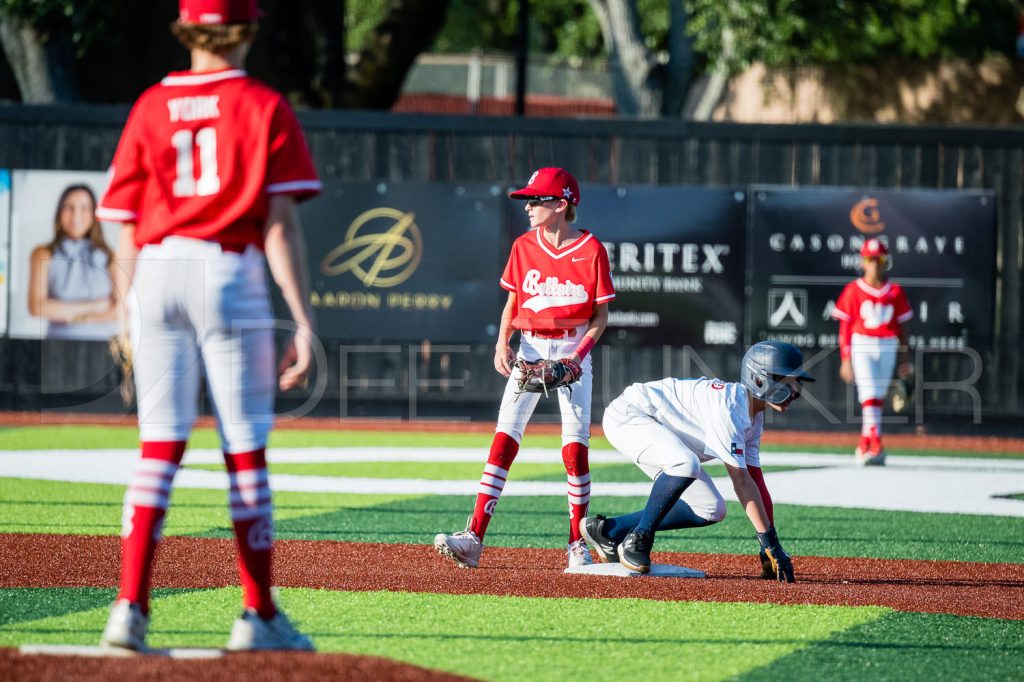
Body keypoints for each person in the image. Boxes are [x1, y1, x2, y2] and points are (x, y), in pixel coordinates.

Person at [95, 0, 321, 652]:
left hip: (158, 271)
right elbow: (279, 225)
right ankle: (258, 614)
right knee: (244, 448)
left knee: (158, 447)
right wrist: (302, 319)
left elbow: (126, 227)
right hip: (229, 270)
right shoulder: (262, 105)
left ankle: (128, 609)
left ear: (185, 27)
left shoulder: (149, 105)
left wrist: (125, 312)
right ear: (247, 29)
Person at [433, 167, 615, 570]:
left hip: (572, 348)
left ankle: (576, 544)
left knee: (575, 448)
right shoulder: (523, 246)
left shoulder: (590, 250)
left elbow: (600, 317)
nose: (529, 206)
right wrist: (502, 341)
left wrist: (577, 357)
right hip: (530, 349)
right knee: (503, 439)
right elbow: (513, 303)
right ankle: (474, 538)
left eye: (537, 199)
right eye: (528, 200)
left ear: (562, 204)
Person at [580, 340, 810, 582]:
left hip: (660, 431)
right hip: (630, 416)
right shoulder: (731, 407)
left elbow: (755, 482)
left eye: (797, 382)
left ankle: (608, 531)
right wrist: (768, 541)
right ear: (759, 379)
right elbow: (741, 482)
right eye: (787, 381)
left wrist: (769, 544)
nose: (795, 390)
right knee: (686, 464)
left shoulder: (754, 417)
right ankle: (639, 538)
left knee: (711, 509)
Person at [831, 238, 912, 466]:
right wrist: (845, 359)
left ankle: (866, 441)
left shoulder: (895, 291)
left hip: (887, 344)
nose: (875, 264)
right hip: (863, 342)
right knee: (869, 392)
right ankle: (875, 440)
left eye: (879, 259)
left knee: (877, 395)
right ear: (862, 262)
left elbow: (902, 329)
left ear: (886, 262)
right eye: (870, 259)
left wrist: (905, 359)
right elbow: (845, 327)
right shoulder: (853, 289)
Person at [27, 184, 119, 339]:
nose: (76, 215)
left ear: (94, 214)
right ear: (59, 212)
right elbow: (37, 307)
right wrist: (98, 306)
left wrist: (81, 318)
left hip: (103, 346)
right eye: (69, 207)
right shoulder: (42, 253)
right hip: (58, 346)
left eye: (84, 208)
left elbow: (121, 310)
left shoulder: (109, 255)